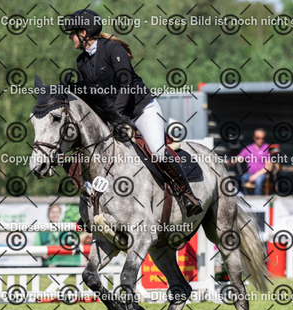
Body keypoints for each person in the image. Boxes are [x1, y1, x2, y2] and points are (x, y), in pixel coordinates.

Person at [63, 9, 203, 217]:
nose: (70, 37)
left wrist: (116, 115)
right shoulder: (81, 61)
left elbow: (126, 84)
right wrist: (74, 90)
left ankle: (187, 195)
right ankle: (94, 208)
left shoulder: (112, 49)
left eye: (72, 33)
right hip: (115, 118)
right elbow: (92, 97)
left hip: (141, 110)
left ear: (83, 33)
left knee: (157, 152)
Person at [237, 129, 272, 195]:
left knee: (258, 181)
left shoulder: (267, 148)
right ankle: (241, 197)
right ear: (254, 138)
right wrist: (232, 160)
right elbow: (239, 158)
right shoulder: (248, 148)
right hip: (249, 174)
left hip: (262, 175)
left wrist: (255, 176)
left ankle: (257, 200)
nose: (260, 140)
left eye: (262, 138)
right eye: (258, 138)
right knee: (238, 179)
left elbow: (268, 167)